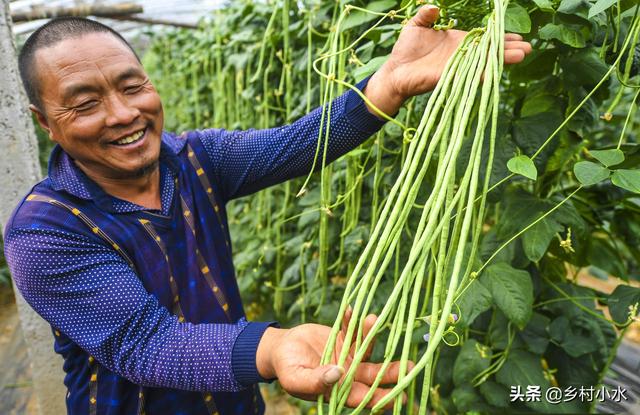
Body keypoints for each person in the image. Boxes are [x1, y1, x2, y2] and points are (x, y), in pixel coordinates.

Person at [3, 5, 531, 415]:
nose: (123, 113)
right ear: (45, 120)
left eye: (132, 85)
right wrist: (272, 348)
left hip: (236, 401)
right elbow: (146, 344)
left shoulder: (195, 160)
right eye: (85, 102)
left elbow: (295, 144)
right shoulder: (43, 232)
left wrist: (387, 85)